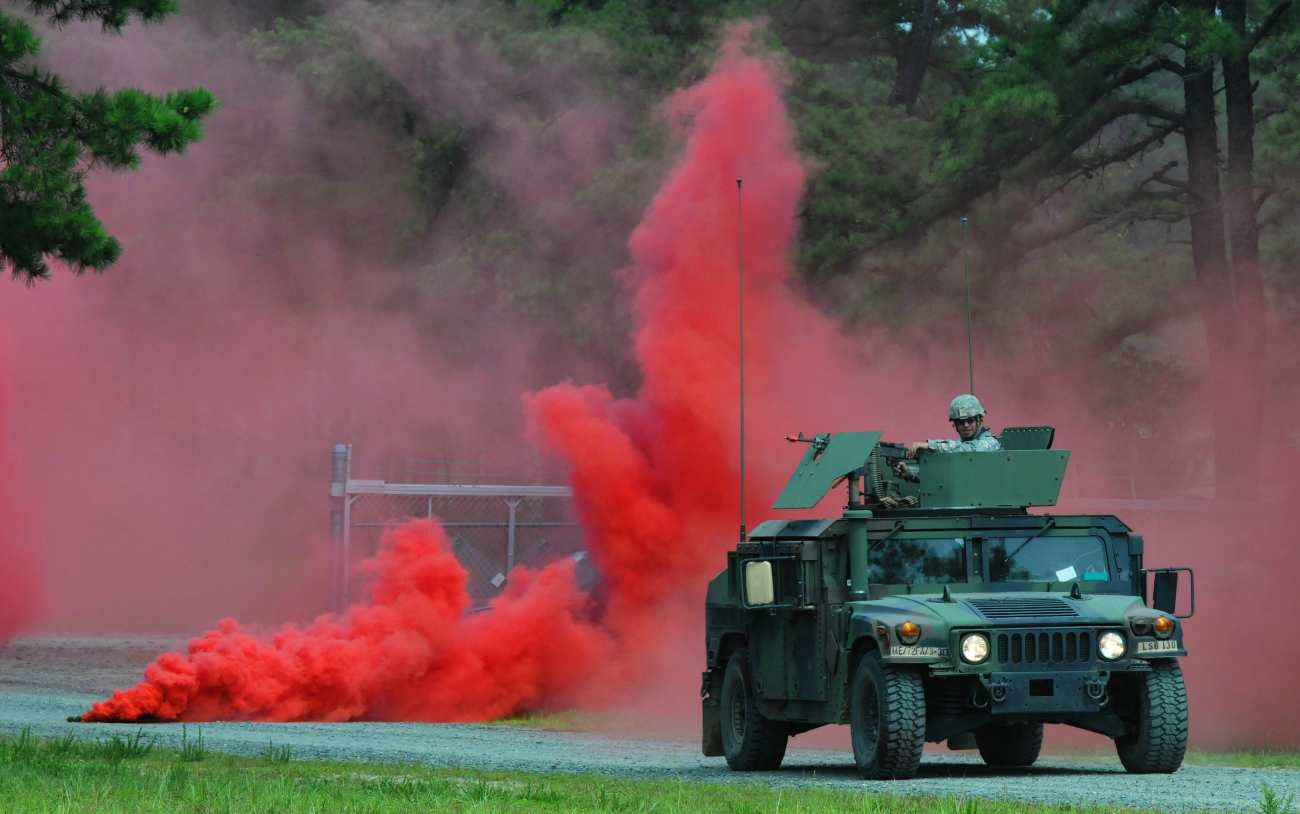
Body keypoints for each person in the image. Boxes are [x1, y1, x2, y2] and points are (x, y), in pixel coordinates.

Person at [893, 394, 1000, 481]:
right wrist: (910, 474)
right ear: (955, 424)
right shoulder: (955, 448)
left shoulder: (990, 443)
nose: (966, 425)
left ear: (979, 420)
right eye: (960, 422)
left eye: (970, 420)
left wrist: (930, 445)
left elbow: (968, 450)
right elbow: (943, 475)